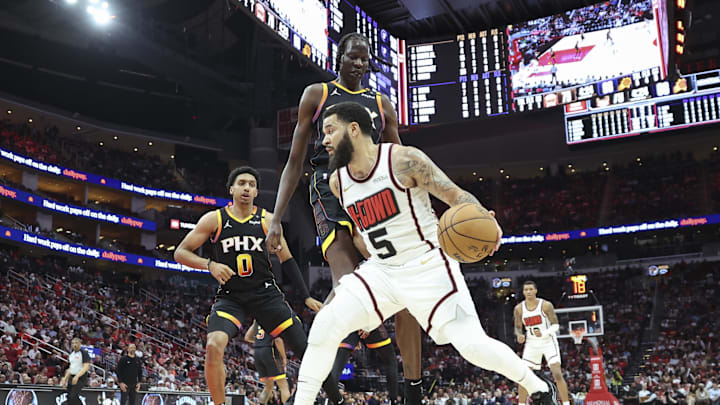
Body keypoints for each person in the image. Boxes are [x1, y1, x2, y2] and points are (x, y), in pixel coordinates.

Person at [292, 101, 559, 405]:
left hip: (428, 265)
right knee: (326, 324)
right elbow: (367, 235)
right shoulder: (338, 182)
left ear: (354, 129)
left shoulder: (405, 160)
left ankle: (537, 387)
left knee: (471, 345)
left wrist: (484, 217)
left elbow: (455, 195)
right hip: (383, 270)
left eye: (330, 130)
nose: (323, 140)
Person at [266, 32, 423, 404]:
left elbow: (401, 161)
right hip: (329, 188)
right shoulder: (317, 95)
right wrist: (276, 218)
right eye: (353, 57)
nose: (360, 64)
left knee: (407, 294)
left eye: (366, 59)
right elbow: (294, 161)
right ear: (338, 58)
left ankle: (414, 391)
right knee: (349, 281)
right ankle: (309, 387)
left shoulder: (381, 104)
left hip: (373, 193)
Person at [174, 167, 341, 405]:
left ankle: (339, 400)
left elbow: (288, 259)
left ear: (256, 191)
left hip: (265, 294)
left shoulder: (268, 220)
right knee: (213, 345)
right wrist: (209, 264)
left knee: (307, 350)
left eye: (251, 184)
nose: (246, 188)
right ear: (231, 189)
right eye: (241, 183)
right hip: (231, 296)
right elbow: (180, 252)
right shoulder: (215, 219)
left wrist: (305, 296)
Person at [514, 281, 570, 405]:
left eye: (530, 289)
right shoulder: (519, 308)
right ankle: (521, 403)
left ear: (535, 291)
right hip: (531, 343)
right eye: (525, 290)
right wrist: (519, 335)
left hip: (548, 341)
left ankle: (566, 403)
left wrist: (544, 333)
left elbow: (556, 325)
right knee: (524, 375)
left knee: (557, 374)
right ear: (523, 292)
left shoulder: (545, 305)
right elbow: (518, 327)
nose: (528, 292)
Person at [244, 321, 291, 405]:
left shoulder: (257, 320)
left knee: (268, 387)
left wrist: (260, 341)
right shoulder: (273, 317)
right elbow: (277, 340)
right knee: (283, 385)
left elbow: (247, 337)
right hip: (270, 351)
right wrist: (284, 358)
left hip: (257, 352)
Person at [60, 337, 90, 405]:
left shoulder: (84, 353)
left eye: (76, 343)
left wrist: (77, 376)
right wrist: (65, 378)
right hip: (72, 376)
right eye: (73, 343)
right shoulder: (71, 355)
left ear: (80, 344)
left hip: (81, 377)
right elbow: (71, 368)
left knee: (73, 395)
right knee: (69, 396)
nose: (74, 344)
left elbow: (86, 367)